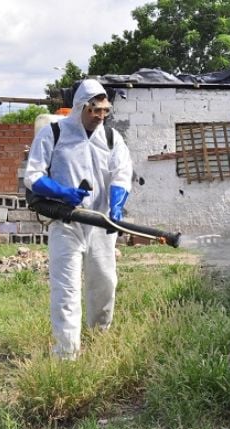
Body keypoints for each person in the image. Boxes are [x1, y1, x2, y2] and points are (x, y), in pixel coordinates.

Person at [24, 79, 133, 360]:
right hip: (67, 224)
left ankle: (99, 338)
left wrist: (117, 206)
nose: (100, 116)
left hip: (99, 225)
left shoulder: (111, 138)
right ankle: (67, 354)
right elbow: (33, 176)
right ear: (80, 107)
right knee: (66, 291)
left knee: (105, 284)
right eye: (94, 110)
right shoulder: (54, 133)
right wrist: (63, 193)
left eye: (104, 111)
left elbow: (121, 173)